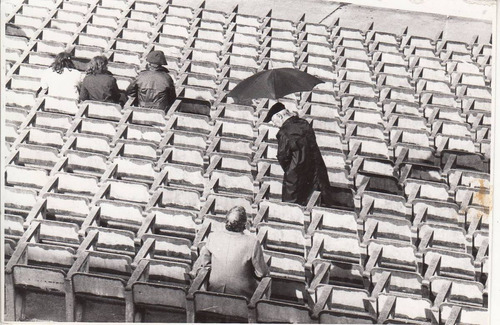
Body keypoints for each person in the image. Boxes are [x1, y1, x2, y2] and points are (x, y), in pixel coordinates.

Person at [264, 102, 341, 207]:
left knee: (293, 211)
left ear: (280, 116)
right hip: (316, 174)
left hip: (295, 180)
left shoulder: (284, 133)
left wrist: (292, 169)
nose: (273, 124)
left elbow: (283, 157)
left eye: (273, 121)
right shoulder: (304, 123)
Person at [194, 206, 269, 300]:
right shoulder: (252, 242)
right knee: (267, 280)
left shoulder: (213, 237)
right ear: (245, 224)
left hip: (213, 290)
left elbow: (205, 264)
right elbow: (262, 273)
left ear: (226, 222)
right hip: (243, 296)